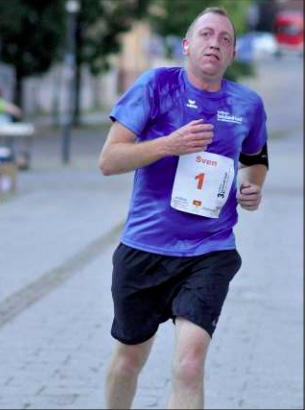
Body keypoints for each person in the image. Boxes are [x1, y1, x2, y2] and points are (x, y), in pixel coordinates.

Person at [99, 7, 269, 409]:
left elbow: (256, 160)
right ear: (187, 45)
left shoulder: (247, 104)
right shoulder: (156, 85)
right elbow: (109, 160)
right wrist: (168, 145)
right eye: (206, 34)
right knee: (129, 359)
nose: (215, 43)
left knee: (190, 366)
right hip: (145, 247)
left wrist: (252, 187)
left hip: (210, 250)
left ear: (233, 54)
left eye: (225, 39)